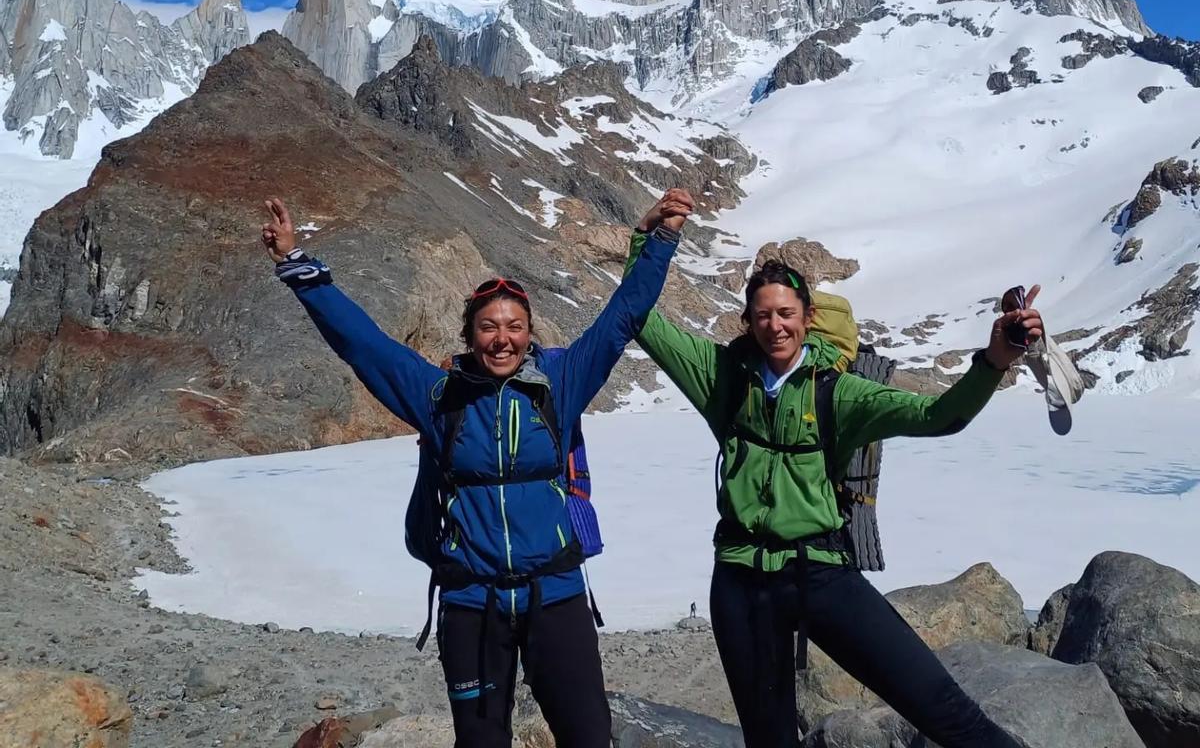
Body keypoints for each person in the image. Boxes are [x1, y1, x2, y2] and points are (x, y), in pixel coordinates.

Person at [260, 191, 687, 748]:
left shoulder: (561, 385)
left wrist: (660, 240)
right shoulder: (438, 396)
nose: (502, 338)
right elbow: (362, 346)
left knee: (587, 737)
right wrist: (300, 270)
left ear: (531, 334)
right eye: (488, 327)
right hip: (470, 602)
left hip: (554, 593)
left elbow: (622, 316)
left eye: (514, 326)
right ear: (469, 336)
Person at [626, 189, 1034, 748]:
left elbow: (940, 416)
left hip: (820, 571)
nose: (775, 326)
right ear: (748, 320)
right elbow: (639, 317)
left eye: (786, 314)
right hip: (741, 581)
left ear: (808, 319)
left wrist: (994, 361)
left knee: (941, 706)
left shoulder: (838, 393)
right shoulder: (721, 375)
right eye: (764, 315)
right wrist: (652, 241)